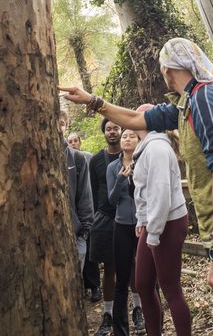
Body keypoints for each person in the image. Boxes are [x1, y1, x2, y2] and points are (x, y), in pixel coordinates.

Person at [60, 39, 213, 336]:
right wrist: (92, 101)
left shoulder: (206, 98)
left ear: (168, 68)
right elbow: (135, 118)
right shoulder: (188, 104)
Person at [133, 104, 191, 336]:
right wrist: (141, 219)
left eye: (138, 114)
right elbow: (143, 191)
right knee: (143, 284)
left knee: (170, 288)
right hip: (155, 221)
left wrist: (154, 232)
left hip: (168, 222)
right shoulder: (145, 147)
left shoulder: (157, 148)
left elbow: (160, 193)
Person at [107, 130, 145, 336]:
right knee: (121, 280)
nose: (127, 139)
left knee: (147, 277)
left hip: (143, 225)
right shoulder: (113, 167)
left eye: (132, 136)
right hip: (121, 226)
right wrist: (122, 179)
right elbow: (111, 200)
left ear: (138, 140)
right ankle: (120, 330)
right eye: (124, 137)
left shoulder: (143, 163)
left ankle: (152, 322)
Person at [89, 118, 122, 336]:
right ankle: (108, 314)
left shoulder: (132, 155)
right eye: (108, 129)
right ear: (104, 133)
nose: (112, 132)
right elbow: (92, 190)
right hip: (105, 219)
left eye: (115, 128)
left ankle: (138, 309)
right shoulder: (96, 161)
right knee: (109, 268)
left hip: (129, 218)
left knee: (134, 266)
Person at [59, 110, 94, 271]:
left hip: (75, 230)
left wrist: (84, 228)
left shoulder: (78, 158)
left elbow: (84, 194)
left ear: (66, 126)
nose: (58, 128)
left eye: (61, 124)